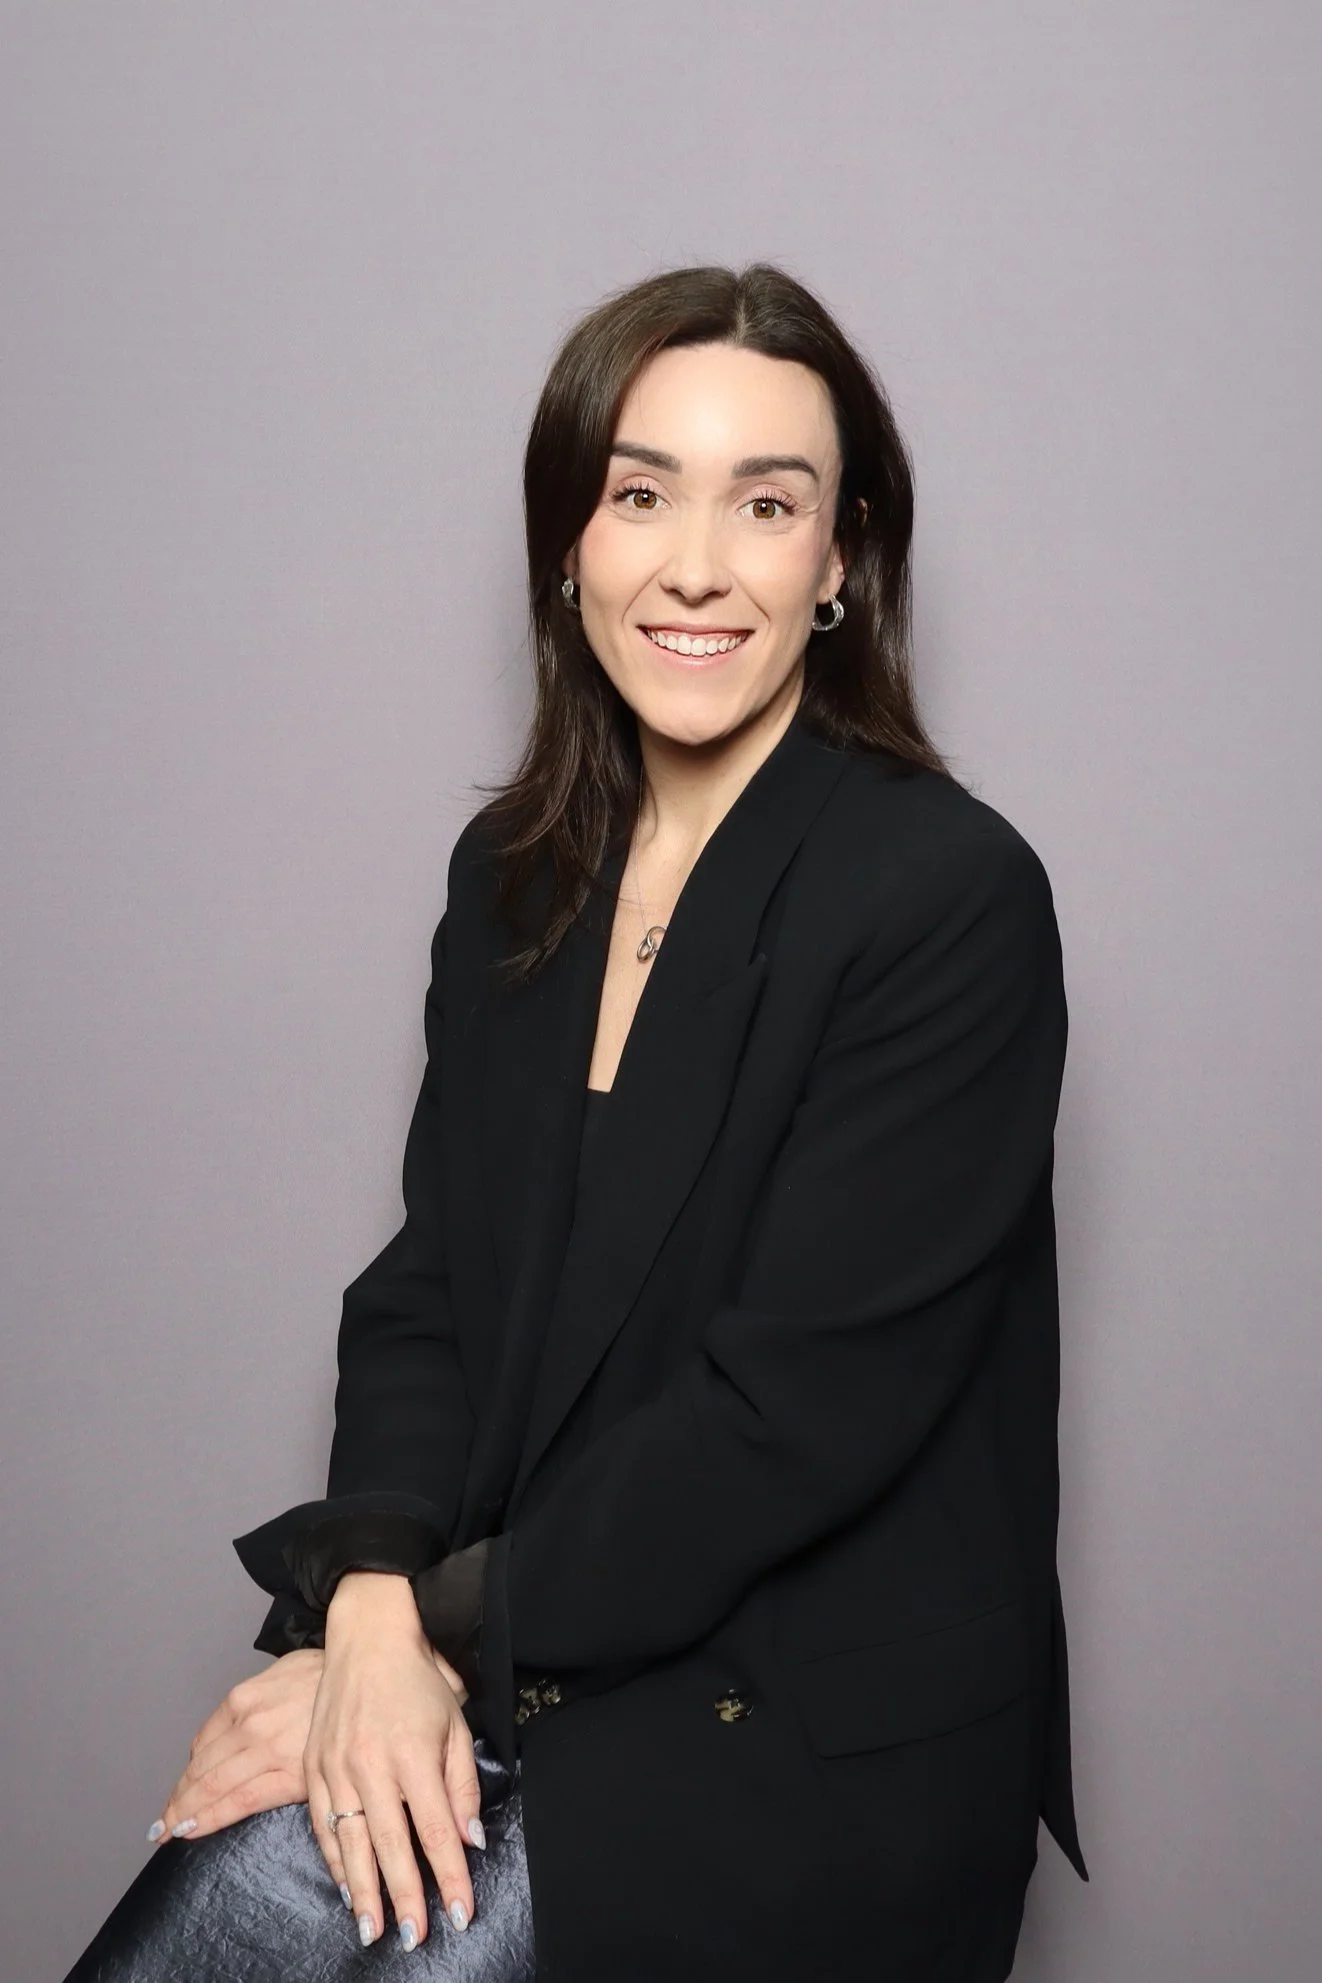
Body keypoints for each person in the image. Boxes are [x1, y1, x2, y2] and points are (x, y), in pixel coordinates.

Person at [64, 260, 1087, 1983]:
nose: (696, 563)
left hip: (808, 1731)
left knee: (315, 1886)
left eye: (767, 504)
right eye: (639, 493)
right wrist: (371, 1595)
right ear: (568, 540)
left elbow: (786, 1423)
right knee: (219, 1905)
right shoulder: (514, 876)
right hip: (550, 1640)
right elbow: (429, 1293)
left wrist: (414, 1649)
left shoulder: (946, 894)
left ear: (837, 561)